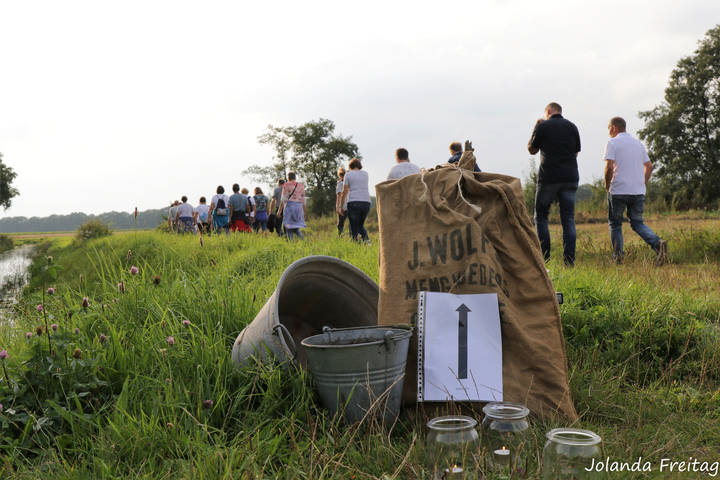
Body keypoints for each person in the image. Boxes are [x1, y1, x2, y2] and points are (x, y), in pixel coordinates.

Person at [603, 116, 668, 265]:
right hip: (638, 191)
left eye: (609, 129)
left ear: (614, 128)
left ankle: (618, 257)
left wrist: (607, 186)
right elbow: (649, 166)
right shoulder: (638, 144)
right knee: (637, 223)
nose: (609, 133)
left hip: (618, 190)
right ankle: (658, 244)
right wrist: (642, 183)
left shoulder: (612, 143)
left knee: (615, 224)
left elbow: (609, 167)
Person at [527, 102, 581, 266]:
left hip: (548, 178)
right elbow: (576, 152)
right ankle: (569, 261)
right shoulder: (572, 127)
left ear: (548, 111)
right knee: (568, 219)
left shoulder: (542, 126)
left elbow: (531, 149)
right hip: (570, 177)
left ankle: (545, 259)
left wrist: (536, 127)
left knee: (541, 216)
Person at [338, 157, 371, 243]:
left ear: (350, 166)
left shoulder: (348, 175)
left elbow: (344, 191)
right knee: (360, 225)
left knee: (354, 227)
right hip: (366, 202)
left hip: (353, 202)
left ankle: (356, 244)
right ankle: (367, 242)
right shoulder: (365, 174)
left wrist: (341, 206)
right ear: (359, 165)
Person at [280, 172, 307, 240]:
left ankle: (291, 243)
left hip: (290, 207)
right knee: (296, 228)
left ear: (288, 177)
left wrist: (279, 211)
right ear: (295, 177)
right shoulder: (301, 185)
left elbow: (283, 199)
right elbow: (303, 200)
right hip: (299, 208)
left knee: (289, 227)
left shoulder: (286, 185)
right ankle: (304, 240)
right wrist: (304, 212)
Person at [335, 167, 348, 236]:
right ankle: (354, 239)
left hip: (342, 206)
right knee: (352, 224)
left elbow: (339, 196)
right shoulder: (347, 183)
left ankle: (340, 237)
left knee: (340, 225)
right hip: (349, 205)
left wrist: (338, 207)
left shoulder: (340, 183)